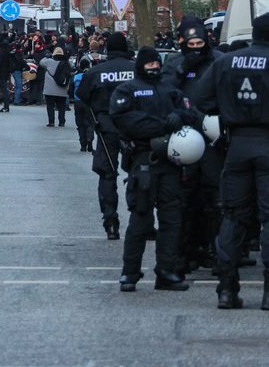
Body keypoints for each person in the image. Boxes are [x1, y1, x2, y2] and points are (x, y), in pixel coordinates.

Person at [192, 13, 269, 311]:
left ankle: (227, 289)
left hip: (236, 146)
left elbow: (200, 100)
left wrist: (228, 108)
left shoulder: (225, 63)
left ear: (253, 34)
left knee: (233, 216)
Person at [110, 46, 194, 293]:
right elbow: (125, 120)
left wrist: (179, 117)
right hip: (143, 159)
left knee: (172, 218)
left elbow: (191, 113)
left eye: (157, 64)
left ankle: (166, 272)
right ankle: (130, 273)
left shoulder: (171, 90)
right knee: (140, 219)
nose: (154, 68)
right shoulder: (127, 90)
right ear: (140, 66)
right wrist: (162, 125)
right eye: (149, 64)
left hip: (171, 161)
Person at [163, 17, 221, 272]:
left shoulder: (217, 61)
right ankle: (186, 250)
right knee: (185, 198)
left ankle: (211, 248)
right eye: (191, 44)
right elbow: (165, 92)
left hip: (212, 136)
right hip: (184, 136)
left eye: (200, 43)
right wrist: (180, 71)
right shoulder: (175, 63)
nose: (196, 48)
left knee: (214, 197)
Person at [78, 32, 134, 240]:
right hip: (134, 129)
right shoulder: (135, 69)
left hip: (106, 128)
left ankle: (110, 221)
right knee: (139, 173)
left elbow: (82, 96)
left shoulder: (96, 72)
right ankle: (142, 220)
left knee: (107, 175)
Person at [39, 47, 71, 127]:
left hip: (50, 90)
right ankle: (62, 122)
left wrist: (47, 56)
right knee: (61, 106)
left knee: (50, 106)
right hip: (62, 89)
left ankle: (51, 122)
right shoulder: (66, 63)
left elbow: (41, 62)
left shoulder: (49, 62)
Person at [69, 59, 93, 152]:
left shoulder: (75, 77)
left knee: (80, 124)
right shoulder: (91, 76)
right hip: (89, 102)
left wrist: (73, 97)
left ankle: (83, 145)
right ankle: (90, 138)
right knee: (90, 122)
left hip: (78, 101)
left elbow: (70, 90)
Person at [0, 40, 14, 113]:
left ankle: (6, 107)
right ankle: (6, 106)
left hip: (1, 73)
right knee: (5, 90)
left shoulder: (1, 53)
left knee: (4, 91)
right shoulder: (8, 52)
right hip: (6, 73)